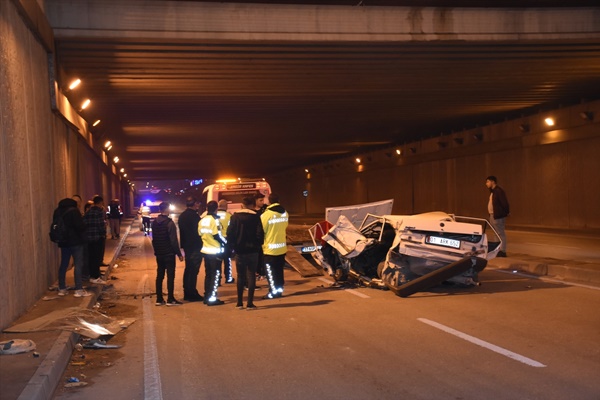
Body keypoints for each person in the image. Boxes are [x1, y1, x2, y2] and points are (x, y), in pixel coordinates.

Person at [226, 196, 264, 310]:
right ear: (253, 206)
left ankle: (239, 303)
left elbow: (230, 233)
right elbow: (260, 234)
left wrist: (232, 247)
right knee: (251, 275)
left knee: (240, 276)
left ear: (242, 205)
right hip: (253, 251)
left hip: (240, 251)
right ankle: (250, 303)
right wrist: (258, 245)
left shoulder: (235, 217)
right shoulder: (256, 217)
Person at [52, 198, 91, 297]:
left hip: (63, 242)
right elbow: (79, 226)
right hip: (75, 242)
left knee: (64, 264)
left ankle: (62, 288)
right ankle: (78, 289)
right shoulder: (74, 211)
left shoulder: (57, 211)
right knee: (78, 264)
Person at [152, 202, 184, 306]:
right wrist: (179, 254)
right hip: (169, 253)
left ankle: (159, 299)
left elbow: (154, 239)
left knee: (159, 275)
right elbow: (174, 241)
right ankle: (170, 299)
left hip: (159, 253)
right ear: (166, 210)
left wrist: (156, 250)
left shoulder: (155, 223)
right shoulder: (170, 223)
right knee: (170, 276)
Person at [260, 193, 288, 299]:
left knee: (270, 272)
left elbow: (262, 231)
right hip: (282, 247)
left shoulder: (266, 215)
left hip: (270, 249)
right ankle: (279, 290)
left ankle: (273, 292)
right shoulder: (285, 213)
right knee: (279, 270)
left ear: (269, 201)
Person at [199, 201, 226, 306]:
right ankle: (212, 298)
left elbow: (200, 234)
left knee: (208, 275)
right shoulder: (214, 220)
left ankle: (207, 296)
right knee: (215, 275)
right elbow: (217, 235)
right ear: (216, 209)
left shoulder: (202, 220)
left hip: (206, 251)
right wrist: (226, 243)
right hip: (215, 251)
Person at [178, 196, 204, 302]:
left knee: (188, 269)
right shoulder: (194, 216)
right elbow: (198, 232)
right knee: (193, 270)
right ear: (194, 204)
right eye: (197, 204)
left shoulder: (182, 216)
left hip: (187, 246)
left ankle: (187, 292)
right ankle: (191, 293)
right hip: (195, 246)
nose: (198, 205)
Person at [83, 195, 108, 284]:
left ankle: (92, 275)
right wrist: (103, 234)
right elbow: (100, 225)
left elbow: (84, 223)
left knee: (91, 257)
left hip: (89, 238)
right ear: (100, 202)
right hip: (97, 237)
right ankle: (95, 276)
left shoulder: (88, 211)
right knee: (97, 258)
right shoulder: (98, 212)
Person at [486, 175, 510, 257]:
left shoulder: (498, 191)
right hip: (493, 215)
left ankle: (502, 251)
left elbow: (504, 203)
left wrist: (506, 212)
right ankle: (498, 250)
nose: (486, 184)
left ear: (493, 182)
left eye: (488, 181)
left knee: (500, 233)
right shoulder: (493, 191)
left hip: (498, 216)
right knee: (496, 234)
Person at [217, 199, 234, 284]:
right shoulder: (229, 216)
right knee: (227, 260)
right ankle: (228, 277)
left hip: (217, 241)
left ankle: (218, 279)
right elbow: (232, 229)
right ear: (226, 207)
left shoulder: (215, 215)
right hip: (227, 241)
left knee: (218, 261)